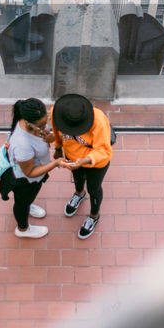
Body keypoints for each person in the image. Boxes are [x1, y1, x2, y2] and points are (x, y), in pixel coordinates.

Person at [50, 93, 113, 240]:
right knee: (77, 179)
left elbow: (104, 151)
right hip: (72, 157)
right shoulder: (56, 112)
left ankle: (94, 215)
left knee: (94, 188)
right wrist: (58, 149)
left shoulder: (98, 120)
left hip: (96, 163)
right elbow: (56, 132)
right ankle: (79, 194)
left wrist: (84, 160)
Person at [5, 98, 64, 239]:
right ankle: (23, 228)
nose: (45, 127)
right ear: (27, 122)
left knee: (28, 199)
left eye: (46, 122)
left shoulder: (34, 125)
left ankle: (28, 205)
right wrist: (55, 164)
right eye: (41, 125)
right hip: (25, 181)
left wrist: (50, 138)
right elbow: (29, 172)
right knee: (21, 203)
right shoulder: (22, 144)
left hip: (36, 175)